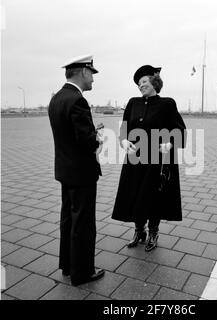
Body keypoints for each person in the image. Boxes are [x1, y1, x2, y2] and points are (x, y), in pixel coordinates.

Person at [112, 65, 186, 252]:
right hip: (135, 159)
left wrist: (170, 143)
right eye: (138, 84)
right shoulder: (133, 103)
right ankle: (139, 231)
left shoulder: (167, 104)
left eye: (144, 81)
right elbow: (124, 129)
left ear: (154, 82)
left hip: (158, 161)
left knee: (154, 197)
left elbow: (179, 130)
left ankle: (153, 232)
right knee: (135, 195)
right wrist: (123, 140)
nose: (140, 86)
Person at [48, 55, 105, 286]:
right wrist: (97, 138)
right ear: (82, 72)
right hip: (81, 173)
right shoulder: (78, 100)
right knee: (83, 223)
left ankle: (68, 266)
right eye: (91, 73)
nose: (93, 79)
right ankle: (82, 273)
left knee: (68, 220)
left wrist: (89, 132)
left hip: (65, 170)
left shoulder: (57, 98)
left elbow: (68, 135)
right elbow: (86, 141)